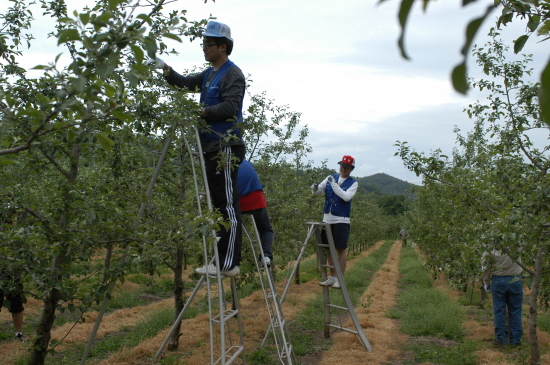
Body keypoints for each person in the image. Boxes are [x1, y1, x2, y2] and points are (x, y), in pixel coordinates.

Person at [149, 20, 246, 277]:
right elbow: (184, 83)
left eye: (208, 43)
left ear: (222, 47)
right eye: (203, 43)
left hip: (225, 147)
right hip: (210, 146)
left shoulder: (232, 74)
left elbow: (229, 108)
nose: (204, 47)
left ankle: (229, 264)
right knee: (217, 205)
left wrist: (200, 111)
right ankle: (220, 260)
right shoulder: (209, 74)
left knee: (226, 205)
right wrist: (165, 68)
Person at [311, 155, 359, 289]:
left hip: (341, 220)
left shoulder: (353, 183)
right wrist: (314, 188)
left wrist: (333, 185)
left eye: (347, 167)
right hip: (327, 219)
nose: (343, 169)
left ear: (351, 169)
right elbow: (318, 191)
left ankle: (340, 279)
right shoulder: (330, 177)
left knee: (341, 249)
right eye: (342, 165)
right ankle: (332, 278)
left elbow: (346, 197)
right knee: (329, 248)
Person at [482, 249, 523, 346]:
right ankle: (516, 340)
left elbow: (485, 267)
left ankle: (501, 340)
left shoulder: (489, 250)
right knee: (515, 311)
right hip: (515, 279)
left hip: (498, 280)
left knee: (499, 311)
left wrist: (486, 282)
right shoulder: (517, 244)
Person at [237, 159, 274, 266]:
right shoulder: (245, 162)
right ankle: (266, 256)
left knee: (233, 231)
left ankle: (233, 260)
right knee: (265, 229)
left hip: (238, 203)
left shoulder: (221, 164)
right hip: (257, 200)